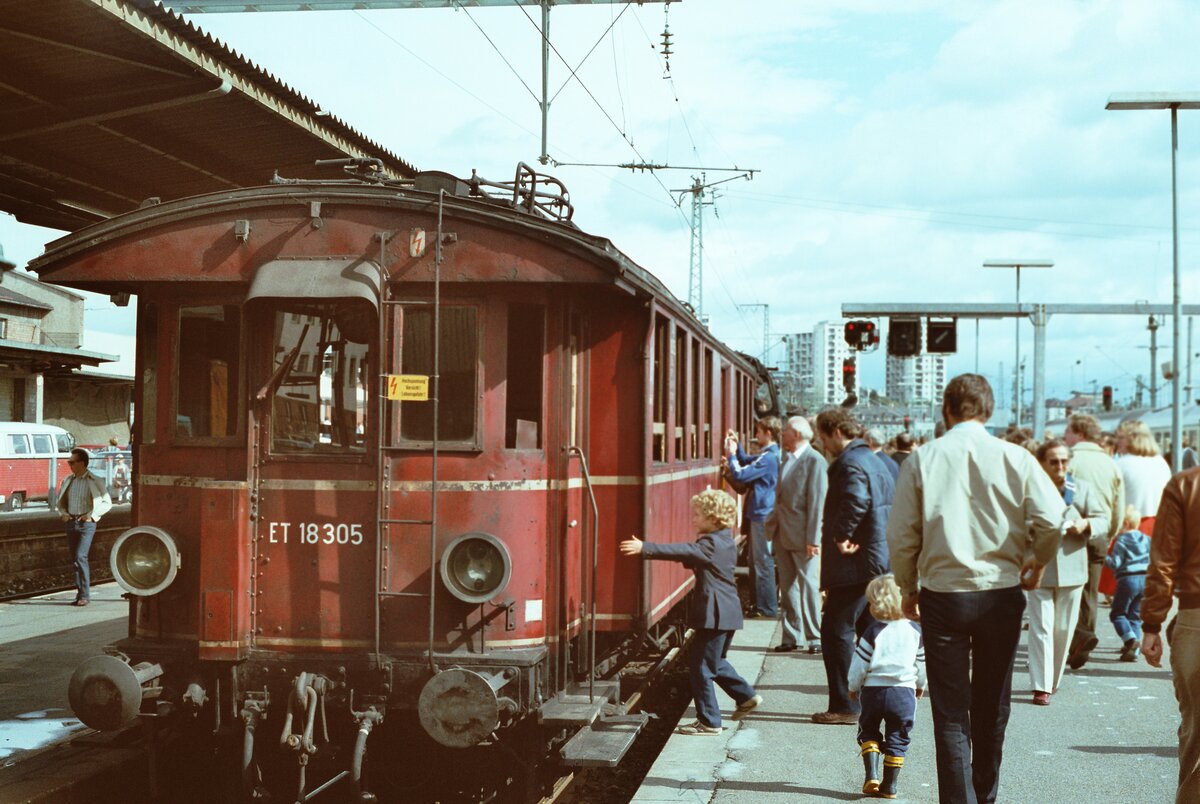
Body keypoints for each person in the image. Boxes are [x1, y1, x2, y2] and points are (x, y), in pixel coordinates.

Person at [887, 374, 1063, 803]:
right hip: (1001, 592)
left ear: (947, 411)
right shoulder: (1016, 458)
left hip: (943, 594)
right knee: (992, 702)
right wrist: (1035, 562)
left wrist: (908, 588)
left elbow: (902, 534)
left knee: (949, 712)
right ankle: (986, 793)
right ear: (989, 410)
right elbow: (1054, 519)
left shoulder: (923, 459)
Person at [620, 489, 761, 735]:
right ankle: (746, 696)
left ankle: (709, 721)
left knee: (701, 667)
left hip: (715, 613)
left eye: (698, 515)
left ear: (713, 518)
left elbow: (684, 551)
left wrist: (645, 548)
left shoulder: (710, 543)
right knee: (715, 662)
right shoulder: (725, 540)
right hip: (727, 612)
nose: (693, 519)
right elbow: (692, 556)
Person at [812, 408, 894, 725]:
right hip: (875, 557)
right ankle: (880, 698)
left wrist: (841, 534)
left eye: (822, 436)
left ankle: (845, 705)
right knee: (869, 630)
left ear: (835, 432)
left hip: (856, 561)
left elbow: (856, 500)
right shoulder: (875, 459)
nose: (822, 443)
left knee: (836, 630)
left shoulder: (850, 462)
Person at [1027, 440, 1107, 705]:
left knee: (1063, 629)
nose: (1060, 466)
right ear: (1042, 463)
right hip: (1039, 566)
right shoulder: (1031, 487)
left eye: (1064, 461)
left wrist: (1085, 524)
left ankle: (1052, 680)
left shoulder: (1081, 489)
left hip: (1073, 567)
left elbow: (1102, 520)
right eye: (1054, 461)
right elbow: (1016, 520)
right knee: (1041, 627)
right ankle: (1041, 686)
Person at [1143, 466, 1200, 802]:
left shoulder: (1186, 484)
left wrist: (1152, 624)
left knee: (1196, 736)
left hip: (1196, 616)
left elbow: (1163, 560)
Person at [848, 573, 925, 800]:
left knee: (868, 729)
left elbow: (859, 664)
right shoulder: (915, 632)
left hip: (874, 691)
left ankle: (871, 775)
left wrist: (853, 686)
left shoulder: (872, 631)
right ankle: (889, 786)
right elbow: (922, 664)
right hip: (904, 692)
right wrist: (920, 685)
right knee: (898, 735)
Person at [1063, 413, 1124, 671]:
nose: (1065, 436)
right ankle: (1084, 633)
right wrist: (1111, 531)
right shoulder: (1110, 463)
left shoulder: (1069, 458)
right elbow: (1118, 504)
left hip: (1071, 531)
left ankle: (1072, 638)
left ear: (1079, 432)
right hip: (1099, 531)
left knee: (1066, 589)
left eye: (1068, 430)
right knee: (1090, 590)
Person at [766, 415, 828, 654]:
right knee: (788, 587)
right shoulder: (788, 459)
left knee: (809, 586)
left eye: (786, 432)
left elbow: (817, 503)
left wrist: (814, 539)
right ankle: (791, 636)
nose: (782, 435)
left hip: (804, 537)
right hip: (783, 532)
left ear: (798, 434)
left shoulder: (815, 461)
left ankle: (815, 638)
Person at [725, 417, 781, 619]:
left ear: (769, 433)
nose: (756, 436)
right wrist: (738, 448)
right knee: (757, 561)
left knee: (762, 562)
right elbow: (749, 460)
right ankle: (761, 605)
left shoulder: (769, 458)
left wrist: (731, 456)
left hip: (762, 514)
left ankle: (766, 608)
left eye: (758, 432)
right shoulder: (770, 455)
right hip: (762, 513)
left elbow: (741, 474)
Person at [55, 448, 114, 607]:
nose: (69, 465)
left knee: (81, 556)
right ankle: (80, 593)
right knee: (75, 559)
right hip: (71, 522)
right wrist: (63, 513)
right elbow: (60, 502)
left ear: (82, 463)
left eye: (72, 462)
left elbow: (107, 502)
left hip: (86, 524)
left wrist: (92, 516)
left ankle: (85, 595)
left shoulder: (95, 480)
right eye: (69, 462)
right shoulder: (68, 480)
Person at [1105, 505, 1151, 662]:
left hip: (1127, 580)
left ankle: (1130, 640)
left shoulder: (1122, 540)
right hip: (1145, 580)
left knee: (1117, 614)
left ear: (1124, 523)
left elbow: (1115, 564)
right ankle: (1134, 651)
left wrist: (1103, 555)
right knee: (1135, 615)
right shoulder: (1146, 539)